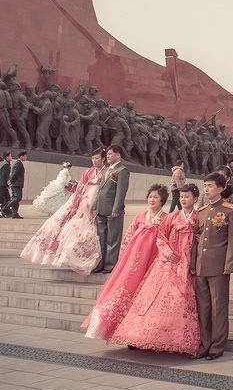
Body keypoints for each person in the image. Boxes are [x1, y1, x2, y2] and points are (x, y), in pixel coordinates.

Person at [109, 182, 201, 355]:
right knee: (153, 297)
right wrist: (167, 253)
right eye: (181, 196)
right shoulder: (172, 217)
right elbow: (160, 237)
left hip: (188, 261)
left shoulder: (199, 217)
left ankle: (175, 338)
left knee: (179, 299)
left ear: (195, 199)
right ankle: (141, 334)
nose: (183, 199)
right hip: (168, 261)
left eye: (187, 197)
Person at [82, 184, 168, 340]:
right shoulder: (140, 218)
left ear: (163, 200)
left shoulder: (166, 219)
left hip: (154, 263)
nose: (152, 199)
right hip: (135, 263)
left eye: (155, 197)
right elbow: (127, 240)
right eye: (150, 196)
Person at [21, 148, 105, 274]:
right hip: (85, 201)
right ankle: (70, 257)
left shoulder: (106, 172)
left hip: (96, 201)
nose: (94, 160)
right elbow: (80, 189)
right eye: (93, 158)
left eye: (97, 158)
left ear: (103, 159)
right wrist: (75, 205)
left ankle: (85, 257)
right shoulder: (88, 172)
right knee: (73, 228)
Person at [192, 172, 233, 360]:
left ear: (220, 189)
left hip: (219, 266)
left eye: (210, 186)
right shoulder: (202, 211)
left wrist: (229, 265)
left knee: (218, 307)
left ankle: (217, 346)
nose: (206, 189)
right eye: (205, 186)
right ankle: (204, 344)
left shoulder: (230, 210)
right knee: (203, 307)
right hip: (200, 266)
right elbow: (196, 240)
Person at [92, 144, 130, 272]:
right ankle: (100, 264)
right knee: (101, 238)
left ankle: (110, 265)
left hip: (112, 211)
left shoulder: (122, 170)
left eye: (110, 154)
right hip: (101, 209)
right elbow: (100, 190)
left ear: (118, 155)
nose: (107, 156)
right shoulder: (108, 169)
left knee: (112, 239)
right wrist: (94, 206)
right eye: (107, 154)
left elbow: (121, 191)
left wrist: (116, 208)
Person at [6, 150, 27, 219]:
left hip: (17, 184)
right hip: (16, 184)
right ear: (21, 156)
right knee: (18, 198)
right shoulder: (18, 163)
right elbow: (14, 174)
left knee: (16, 199)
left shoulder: (19, 163)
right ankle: (4, 207)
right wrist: (11, 181)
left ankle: (14, 214)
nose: (26, 157)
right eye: (25, 156)